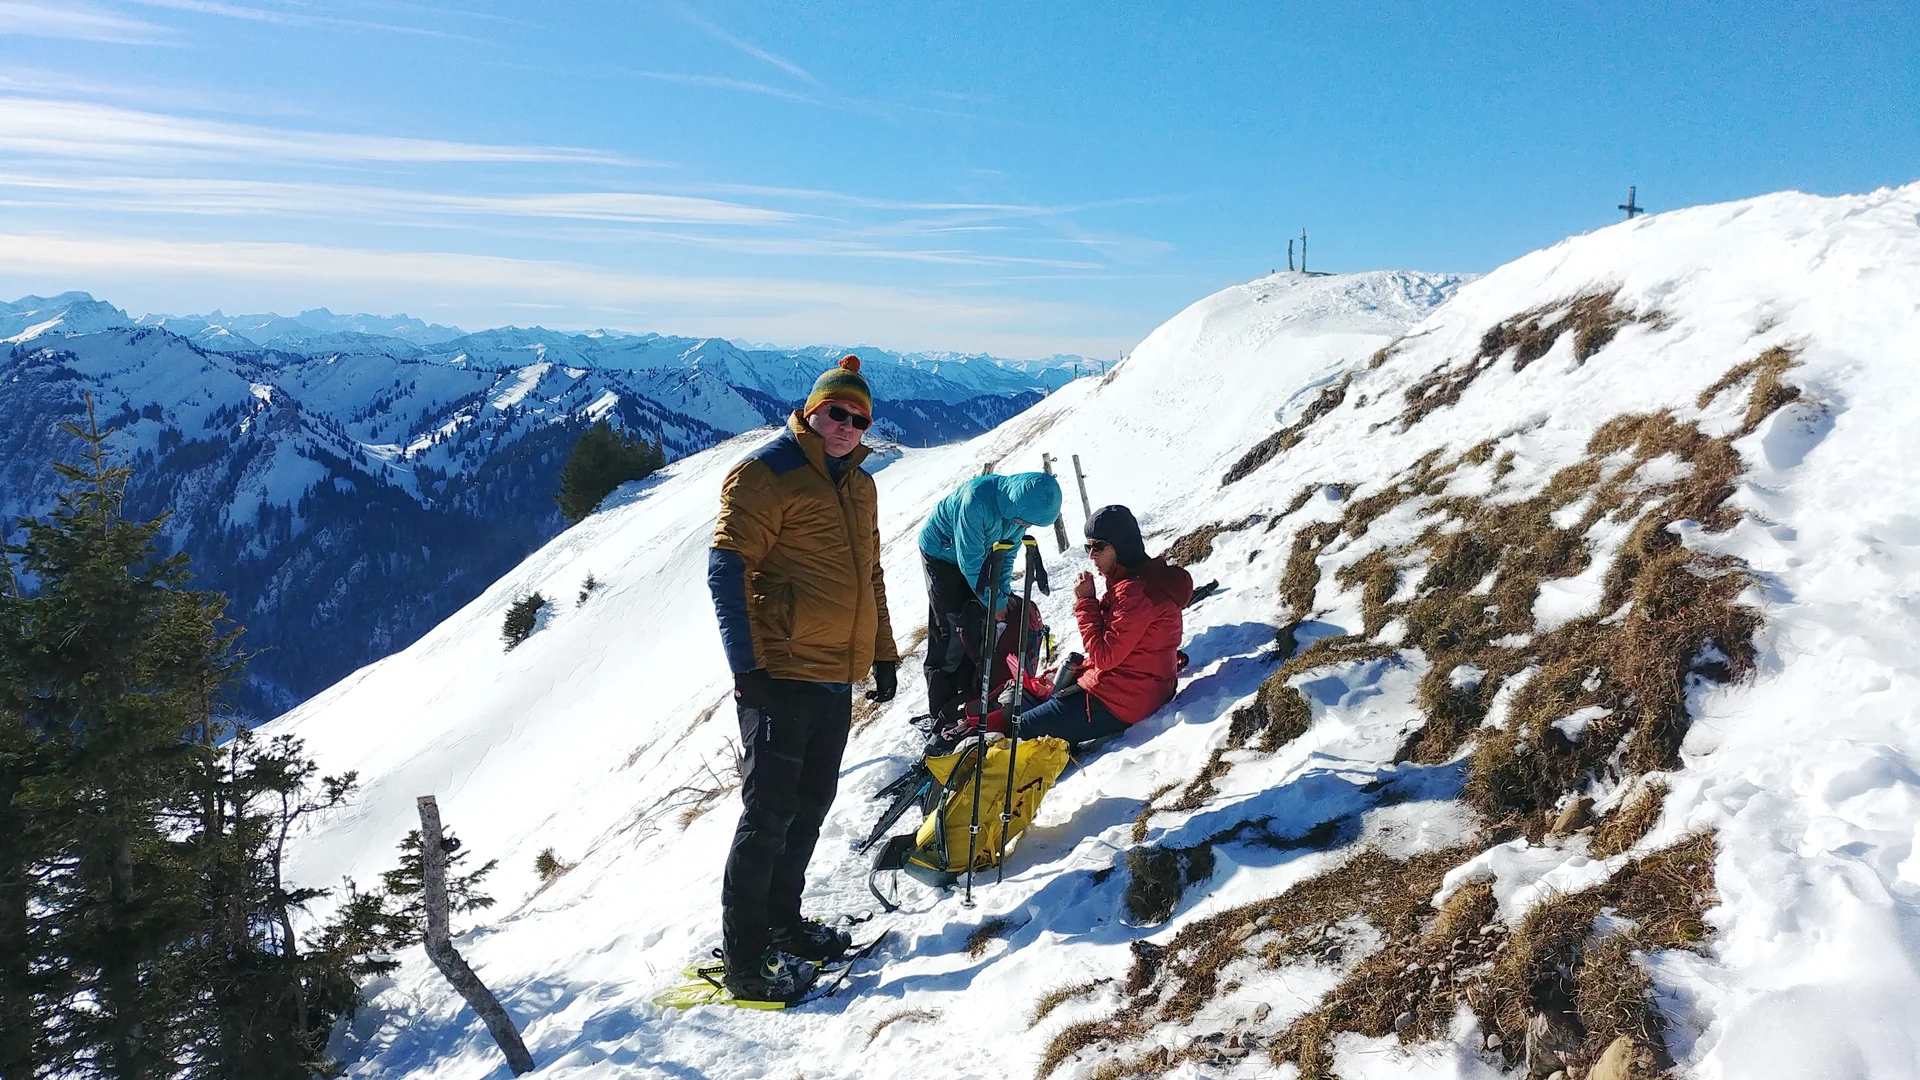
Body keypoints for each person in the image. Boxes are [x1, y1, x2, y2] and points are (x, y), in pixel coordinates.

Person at [706, 354, 899, 1003]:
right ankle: (745, 959)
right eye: (835, 412)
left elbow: (869, 576)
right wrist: (746, 669)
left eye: (858, 417)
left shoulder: (860, 485)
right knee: (768, 817)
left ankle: (782, 927)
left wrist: (883, 653)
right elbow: (726, 568)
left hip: (833, 676)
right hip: (780, 673)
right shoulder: (769, 472)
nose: (846, 425)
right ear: (811, 410)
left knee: (810, 809)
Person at [1014, 505, 1192, 744]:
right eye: (1088, 547)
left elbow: (1105, 656)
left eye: (1098, 547)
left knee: (1019, 728)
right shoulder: (1140, 581)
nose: (1091, 555)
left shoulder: (1134, 593)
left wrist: (1086, 602)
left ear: (1121, 545)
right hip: (1142, 688)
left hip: (1123, 700)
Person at [917, 472, 1063, 713]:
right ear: (1015, 504)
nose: (1025, 526)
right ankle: (941, 712)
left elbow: (1004, 558)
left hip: (976, 556)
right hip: (941, 556)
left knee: (975, 626)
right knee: (950, 632)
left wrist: (1001, 595)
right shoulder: (975, 502)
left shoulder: (1017, 512)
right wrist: (996, 603)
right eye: (1024, 521)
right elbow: (970, 562)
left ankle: (969, 701)